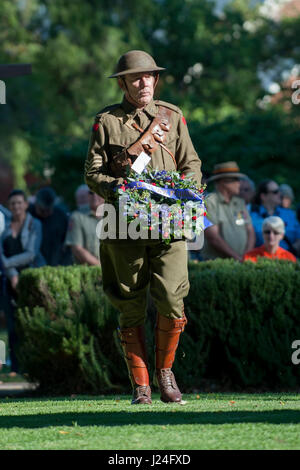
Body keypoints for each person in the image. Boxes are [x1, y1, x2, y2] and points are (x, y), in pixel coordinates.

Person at [84, 50, 202, 405]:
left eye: (149, 76)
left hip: (169, 226)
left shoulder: (172, 117)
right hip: (125, 226)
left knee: (171, 299)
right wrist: (118, 189)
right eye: (136, 77)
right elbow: (92, 174)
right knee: (130, 306)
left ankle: (166, 374)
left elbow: (191, 163)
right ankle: (141, 386)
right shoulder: (106, 122)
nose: (144, 82)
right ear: (122, 83)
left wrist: (187, 192)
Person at [0, 189, 45, 373]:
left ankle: (34, 364)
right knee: (12, 323)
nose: (16, 206)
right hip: (10, 279)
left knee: (32, 321)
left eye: (19, 202)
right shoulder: (5, 226)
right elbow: (0, 251)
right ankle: (15, 366)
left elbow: (31, 253)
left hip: (31, 277)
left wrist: (6, 264)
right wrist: (12, 274)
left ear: (26, 204)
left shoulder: (35, 224)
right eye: (13, 204)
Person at [201, 161, 255, 262]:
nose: (240, 183)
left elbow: (250, 231)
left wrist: (246, 256)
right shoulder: (209, 202)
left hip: (240, 262)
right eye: (236, 179)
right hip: (217, 264)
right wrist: (237, 258)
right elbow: (213, 238)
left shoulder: (240, 202)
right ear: (223, 182)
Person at [250, 179, 300, 256]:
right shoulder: (252, 217)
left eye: (279, 191)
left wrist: (289, 254)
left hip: (289, 260)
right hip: (262, 262)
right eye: (275, 192)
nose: (280, 194)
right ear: (263, 196)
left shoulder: (289, 214)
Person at [28, 187, 70, 266]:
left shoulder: (61, 216)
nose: (45, 213)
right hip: (33, 262)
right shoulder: (28, 214)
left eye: (48, 210)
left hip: (55, 262)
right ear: (36, 203)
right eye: (42, 210)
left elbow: (67, 243)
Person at [65, 190, 104, 265]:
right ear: (87, 195)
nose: (95, 196)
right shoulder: (77, 216)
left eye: (98, 192)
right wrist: (101, 267)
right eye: (91, 193)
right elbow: (77, 249)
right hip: (88, 272)